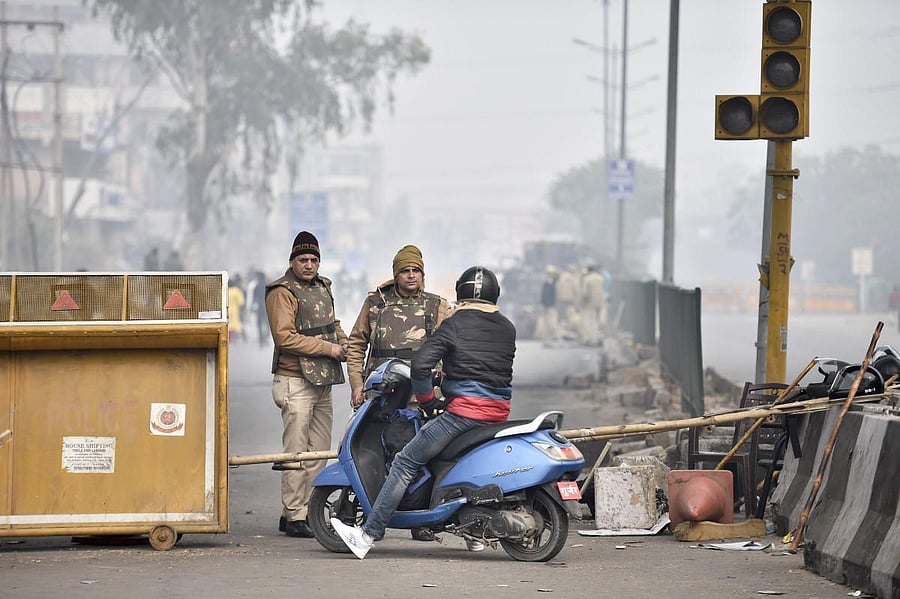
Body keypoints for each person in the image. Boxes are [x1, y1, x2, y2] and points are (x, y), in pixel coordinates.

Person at [331, 266, 516, 559]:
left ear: (461, 292)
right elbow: (487, 371)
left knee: (406, 461)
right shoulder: (507, 327)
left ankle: (368, 534)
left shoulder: (455, 324)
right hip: (497, 413)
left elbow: (420, 367)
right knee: (460, 465)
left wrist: (429, 401)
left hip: (462, 415)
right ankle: (475, 536)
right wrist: (449, 380)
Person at [345, 244, 453, 542]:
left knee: (422, 458)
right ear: (396, 274)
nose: (410, 276)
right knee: (376, 454)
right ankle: (373, 515)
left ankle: (422, 519)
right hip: (381, 398)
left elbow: (452, 349)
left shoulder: (437, 306)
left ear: (422, 274)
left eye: (416, 271)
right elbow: (356, 344)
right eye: (405, 271)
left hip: (421, 400)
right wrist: (356, 384)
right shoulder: (375, 303)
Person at [266, 231, 349, 538]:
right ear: (292, 261)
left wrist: (345, 343)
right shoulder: (282, 291)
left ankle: (310, 511)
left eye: (314, 259)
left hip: (322, 380)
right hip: (294, 381)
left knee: (318, 452)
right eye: (303, 259)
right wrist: (329, 349)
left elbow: (332, 323)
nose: (309, 265)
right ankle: (292, 514)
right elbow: (284, 337)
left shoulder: (324, 286)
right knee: (296, 452)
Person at [228, 274, 246, 344]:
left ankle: (228, 340)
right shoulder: (236, 291)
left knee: (228, 325)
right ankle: (232, 340)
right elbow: (241, 302)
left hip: (226, 311)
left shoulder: (225, 291)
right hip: (235, 310)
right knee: (234, 325)